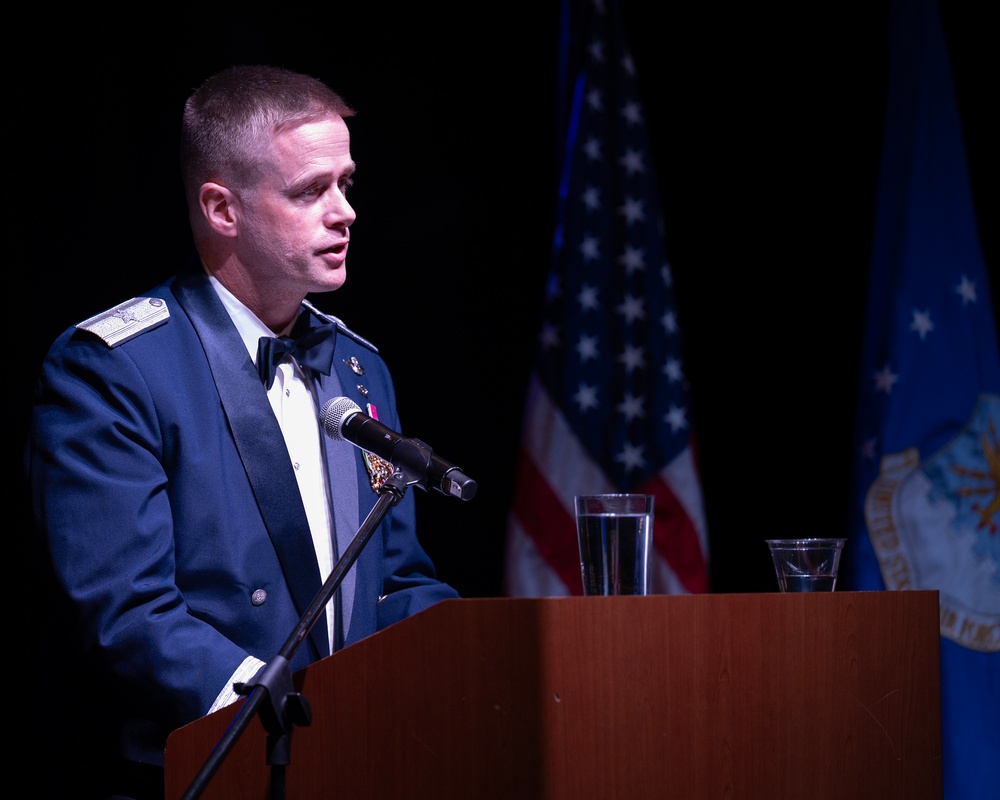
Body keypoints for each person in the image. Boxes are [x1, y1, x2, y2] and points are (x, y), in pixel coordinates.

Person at [26, 64, 460, 800]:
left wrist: (481, 649)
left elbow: (395, 583)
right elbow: (127, 612)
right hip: (192, 772)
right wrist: (278, 711)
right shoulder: (114, 370)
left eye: (346, 183)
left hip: (352, 769)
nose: (344, 210)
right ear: (222, 209)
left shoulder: (359, 369)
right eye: (309, 190)